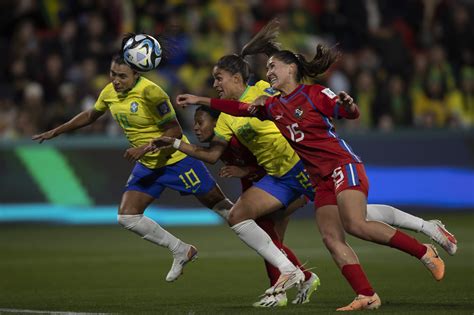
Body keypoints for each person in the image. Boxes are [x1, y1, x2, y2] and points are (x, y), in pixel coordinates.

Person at [173, 23, 456, 311]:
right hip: (317, 178)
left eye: (273, 67)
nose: (268, 72)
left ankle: (424, 251)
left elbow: (349, 112)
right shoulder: (273, 106)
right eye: (267, 67)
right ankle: (367, 295)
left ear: (290, 70)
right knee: (331, 238)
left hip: (340, 165)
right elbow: (240, 109)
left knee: (356, 223)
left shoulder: (314, 94)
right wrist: (200, 100)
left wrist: (348, 106)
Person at [31, 36, 234, 283]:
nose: (115, 80)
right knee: (127, 216)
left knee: (223, 208)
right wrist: (56, 131)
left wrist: (144, 149)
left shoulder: (151, 92)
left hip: (175, 160)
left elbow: (175, 132)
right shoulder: (109, 92)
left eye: (121, 76)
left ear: (136, 74)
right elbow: (90, 115)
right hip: (149, 164)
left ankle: (268, 244)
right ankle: (181, 249)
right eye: (112, 74)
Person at [194, 105, 319, 307]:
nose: (196, 128)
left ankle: (281, 292)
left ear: (218, 123)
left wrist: (245, 170)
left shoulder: (237, 139)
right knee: (269, 242)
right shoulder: (221, 146)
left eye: (200, 122)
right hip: (265, 189)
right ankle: (303, 278)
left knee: (267, 240)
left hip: (286, 185)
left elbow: (270, 161)